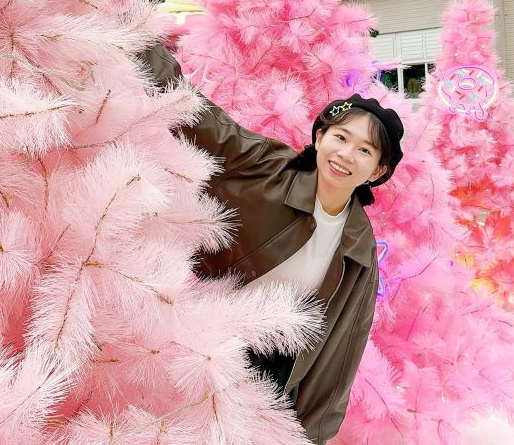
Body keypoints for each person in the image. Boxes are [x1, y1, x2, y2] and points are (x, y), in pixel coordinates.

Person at [141, 44, 404, 445]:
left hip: (276, 359)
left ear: (378, 170)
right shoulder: (272, 168)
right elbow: (207, 124)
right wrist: (142, 43)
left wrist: (312, 433)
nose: (346, 154)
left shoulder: (359, 248)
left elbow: (343, 345)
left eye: (365, 150)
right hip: (211, 327)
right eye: (340, 137)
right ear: (320, 136)